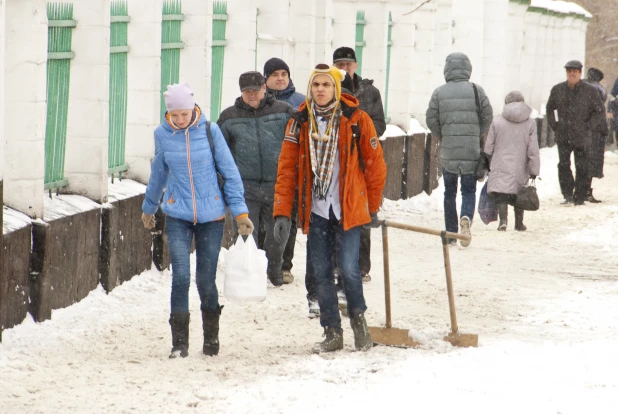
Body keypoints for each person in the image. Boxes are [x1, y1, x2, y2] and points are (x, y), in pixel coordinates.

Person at [272, 64, 386, 353]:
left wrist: (372, 208)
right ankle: (332, 331)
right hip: (317, 210)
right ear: (310, 89)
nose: (320, 90)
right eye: (315, 85)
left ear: (336, 88)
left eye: (326, 85)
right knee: (321, 272)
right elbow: (286, 171)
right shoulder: (299, 123)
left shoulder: (356, 120)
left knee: (349, 269)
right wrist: (283, 212)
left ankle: (359, 322)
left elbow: (376, 168)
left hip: (348, 209)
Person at [141, 82, 254, 358]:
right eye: (174, 115)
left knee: (205, 279)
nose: (180, 120)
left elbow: (229, 173)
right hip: (177, 214)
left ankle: (211, 339)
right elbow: (158, 174)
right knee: (180, 276)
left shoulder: (210, 130)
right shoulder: (162, 135)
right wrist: (149, 207)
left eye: (184, 114)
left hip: (211, 216)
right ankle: (179, 343)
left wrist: (240, 212)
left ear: (193, 109)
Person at [217, 71, 294, 286]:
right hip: (244, 185)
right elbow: (219, 151)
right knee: (245, 231)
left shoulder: (283, 111)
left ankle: (275, 270)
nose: (251, 95)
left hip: (277, 183)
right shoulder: (229, 117)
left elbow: (297, 139)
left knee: (279, 232)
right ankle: (249, 273)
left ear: (264, 88)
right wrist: (224, 180)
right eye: (246, 91)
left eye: (255, 90)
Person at [426, 52, 493, 246]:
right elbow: (488, 115)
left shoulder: (439, 92)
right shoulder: (477, 91)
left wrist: (443, 134)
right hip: (471, 149)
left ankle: (451, 233)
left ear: (447, 69)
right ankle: (466, 218)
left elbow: (431, 119)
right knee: (468, 190)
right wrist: (476, 133)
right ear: (467, 69)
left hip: (449, 150)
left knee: (449, 192)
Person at [333, 47, 386, 284]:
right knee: (333, 214)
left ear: (355, 65)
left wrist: (360, 127)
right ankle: (337, 264)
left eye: (348, 64)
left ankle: (361, 266)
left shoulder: (369, 91)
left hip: (363, 161)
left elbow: (380, 124)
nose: (344, 68)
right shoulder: (326, 88)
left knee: (362, 214)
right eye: (339, 64)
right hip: (336, 160)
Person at [263, 57, 306, 285]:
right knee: (263, 220)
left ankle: (284, 265)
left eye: (284, 74)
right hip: (263, 170)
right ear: (266, 79)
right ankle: (262, 262)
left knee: (288, 219)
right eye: (274, 75)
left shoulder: (300, 103)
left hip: (291, 170)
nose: (280, 79)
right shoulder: (257, 100)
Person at [546, 60, 605, 205]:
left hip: (582, 135)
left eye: (575, 71)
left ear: (580, 73)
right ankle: (567, 194)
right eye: (569, 71)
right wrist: (555, 125)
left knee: (582, 166)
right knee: (564, 165)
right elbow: (549, 109)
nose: (572, 74)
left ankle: (579, 196)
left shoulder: (589, 91)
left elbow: (599, 111)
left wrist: (589, 126)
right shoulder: (558, 89)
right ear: (566, 73)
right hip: (563, 134)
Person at [483, 91, 540, 231]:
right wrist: (534, 170)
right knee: (519, 193)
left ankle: (503, 221)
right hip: (521, 165)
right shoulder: (530, 124)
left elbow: (488, 146)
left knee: (502, 192)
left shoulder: (497, 121)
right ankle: (519, 223)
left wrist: (487, 161)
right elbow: (533, 150)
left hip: (500, 163)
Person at [584, 67, 609, 203]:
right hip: (596, 130)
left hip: (584, 129)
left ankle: (580, 190)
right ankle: (586, 190)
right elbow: (600, 111)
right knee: (592, 161)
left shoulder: (581, 87)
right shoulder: (598, 89)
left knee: (583, 160)